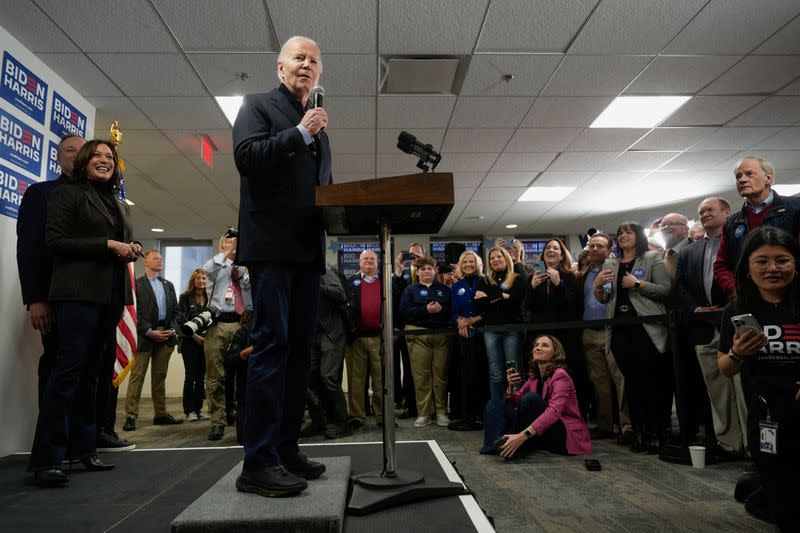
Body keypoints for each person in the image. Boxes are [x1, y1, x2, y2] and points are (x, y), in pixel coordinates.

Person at [232, 35, 332, 497]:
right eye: (299, 58)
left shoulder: (320, 129)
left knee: (299, 353)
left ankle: (287, 448)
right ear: (280, 67)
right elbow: (247, 158)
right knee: (271, 348)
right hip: (271, 248)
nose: (306, 65)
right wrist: (301, 133)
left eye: (313, 61)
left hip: (308, 252)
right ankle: (258, 461)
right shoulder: (257, 106)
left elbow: (320, 191)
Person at [27, 140, 142, 486]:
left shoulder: (116, 202)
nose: (105, 161)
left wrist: (131, 248)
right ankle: (47, 458)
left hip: (109, 297)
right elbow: (55, 243)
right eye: (97, 155)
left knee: (93, 375)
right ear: (83, 162)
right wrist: (108, 246)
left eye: (110, 157)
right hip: (77, 295)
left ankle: (84, 447)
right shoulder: (67, 194)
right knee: (67, 374)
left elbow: (119, 243)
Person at [717, 226, 800, 530]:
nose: (773, 268)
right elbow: (725, 368)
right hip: (767, 415)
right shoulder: (737, 310)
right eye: (762, 261)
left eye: (782, 260)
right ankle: (764, 497)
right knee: (787, 511)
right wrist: (738, 352)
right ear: (748, 269)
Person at [16, 134, 85, 405]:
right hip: (55, 299)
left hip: (92, 301)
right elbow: (29, 249)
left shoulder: (101, 196)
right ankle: (51, 440)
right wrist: (35, 298)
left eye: (83, 150)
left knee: (91, 369)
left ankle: (87, 435)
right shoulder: (41, 193)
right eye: (70, 150)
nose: (77, 155)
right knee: (58, 366)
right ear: (58, 156)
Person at [677, 197, 748, 458]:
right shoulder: (688, 251)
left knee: (742, 386)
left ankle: (753, 445)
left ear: (727, 212)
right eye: (701, 211)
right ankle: (730, 443)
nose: (705, 214)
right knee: (716, 388)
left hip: (735, 320)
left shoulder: (741, 241)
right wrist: (696, 309)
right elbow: (681, 287)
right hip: (703, 326)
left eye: (710, 209)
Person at [594, 222, 671, 454]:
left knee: (650, 383)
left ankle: (655, 434)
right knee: (632, 384)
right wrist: (598, 288)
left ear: (637, 236)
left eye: (628, 232)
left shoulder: (652, 258)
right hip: (618, 329)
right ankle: (638, 433)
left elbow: (665, 290)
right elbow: (605, 298)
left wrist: (637, 283)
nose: (623, 236)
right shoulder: (610, 262)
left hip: (645, 328)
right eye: (619, 233)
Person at [483, 335, 591, 458]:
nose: (538, 348)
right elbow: (516, 400)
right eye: (536, 345)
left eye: (545, 345)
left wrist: (521, 436)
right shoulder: (534, 376)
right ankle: (494, 447)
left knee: (530, 399)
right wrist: (511, 386)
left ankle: (519, 445)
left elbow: (554, 412)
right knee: (495, 403)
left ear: (555, 353)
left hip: (564, 433)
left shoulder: (561, 376)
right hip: (541, 431)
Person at [714, 156, 800, 297]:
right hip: (749, 301)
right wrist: (737, 290)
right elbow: (721, 266)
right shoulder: (731, 222)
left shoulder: (796, 209)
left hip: (791, 299)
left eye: (749, 173)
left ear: (768, 177)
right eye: (738, 176)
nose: (742, 180)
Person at [577, 233, 633, 443]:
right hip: (589, 332)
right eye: (591, 246)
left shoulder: (615, 269)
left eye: (599, 246)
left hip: (611, 330)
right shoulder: (583, 273)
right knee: (599, 382)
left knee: (620, 380)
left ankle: (627, 425)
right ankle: (604, 424)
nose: (593, 249)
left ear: (610, 249)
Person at [524, 238, 588, 418]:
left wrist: (559, 285)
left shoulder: (570, 277)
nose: (551, 250)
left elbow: (572, 307)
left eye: (555, 248)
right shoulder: (533, 277)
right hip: (540, 336)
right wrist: (532, 288)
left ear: (562, 255)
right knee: (539, 376)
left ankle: (571, 417)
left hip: (564, 337)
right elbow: (527, 308)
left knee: (567, 377)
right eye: (548, 248)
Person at [122, 250, 182, 431]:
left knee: (159, 377)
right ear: (146, 261)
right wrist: (149, 331)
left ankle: (161, 414)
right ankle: (131, 416)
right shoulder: (137, 285)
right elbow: (134, 313)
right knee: (137, 377)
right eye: (156, 258)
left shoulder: (168, 285)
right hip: (145, 336)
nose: (160, 260)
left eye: (162, 258)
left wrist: (172, 329)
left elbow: (176, 311)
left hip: (166, 335)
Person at [203, 232, 251, 441]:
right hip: (219, 324)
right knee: (216, 376)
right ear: (223, 244)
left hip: (241, 324)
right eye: (230, 241)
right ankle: (218, 421)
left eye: (237, 242)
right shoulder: (216, 265)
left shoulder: (243, 267)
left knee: (244, 375)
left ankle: (243, 418)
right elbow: (208, 270)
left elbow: (250, 289)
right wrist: (229, 252)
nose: (235, 245)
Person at [399, 256, 452, 428]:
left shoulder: (444, 290)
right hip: (418, 336)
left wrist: (441, 309)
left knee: (441, 375)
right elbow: (405, 312)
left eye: (429, 268)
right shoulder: (410, 290)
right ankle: (424, 413)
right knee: (421, 376)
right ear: (418, 272)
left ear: (435, 270)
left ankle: (441, 411)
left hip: (441, 336)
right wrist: (426, 310)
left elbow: (452, 310)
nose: (426, 271)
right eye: (423, 269)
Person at [300, 266, 351, 439]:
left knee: (328, 376)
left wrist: (314, 285)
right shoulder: (296, 274)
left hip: (332, 331)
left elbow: (340, 294)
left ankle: (342, 423)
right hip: (311, 333)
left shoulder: (323, 271)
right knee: (307, 378)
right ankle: (318, 421)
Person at [474, 246, 526, 403]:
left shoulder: (517, 278)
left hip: (512, 329)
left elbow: (515, 302)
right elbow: (479, 304)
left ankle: (518, 408)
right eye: (492, 258)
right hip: (491, 330)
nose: (495, 260)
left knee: (515, 371)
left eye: (499, 257)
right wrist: (502, 296)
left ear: (506, 259)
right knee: (495, 372)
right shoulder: (483, 280)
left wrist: (490, 297)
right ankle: (498, 408)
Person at [345, 250, 384, 429]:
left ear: (377, 263)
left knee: (381, 379)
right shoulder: (350, 282)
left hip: (379, 338)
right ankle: (357, 416)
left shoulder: (385, 282)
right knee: (356, 379)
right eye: (365, 259)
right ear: (359, 263)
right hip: (356, 339)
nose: (369, 261)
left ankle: (382, 415)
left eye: (372, 259)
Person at [449, 250, 486, 430]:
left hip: (483, 333)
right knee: (465, 374)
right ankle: (467, 414)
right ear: (461, 265)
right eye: (465, 262)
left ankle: (481, 413)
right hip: (464, 334)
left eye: (472, 262)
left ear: (477, 264)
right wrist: (461, 323)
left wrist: (472, 321)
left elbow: (488, 308)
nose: (469, 265)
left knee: (482, 372)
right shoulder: (457, 286)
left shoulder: (486, 281)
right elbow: (454, 310)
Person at [177, 268, 210, 422]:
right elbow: (181, 320)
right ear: (193, 280)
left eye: (204, 278)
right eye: (198, 278)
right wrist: (195, 336)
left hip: (206, 342)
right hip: (190, 342)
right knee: (190, 376)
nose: (201, 281)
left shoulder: (210, 298)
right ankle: (189, 410)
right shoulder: (184, 297)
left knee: (201, 376)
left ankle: (198, 408)